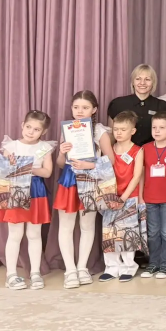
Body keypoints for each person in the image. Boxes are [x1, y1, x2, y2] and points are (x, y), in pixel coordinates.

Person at [54, 91, 115, 289]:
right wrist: (62, 152)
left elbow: (111, 160)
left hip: (90, 180)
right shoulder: (67, 129)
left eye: (85, 107)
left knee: (87, 226)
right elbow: (60, 163)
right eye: (76, 107)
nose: (80, 111)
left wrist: (89, 165)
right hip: (69, 180)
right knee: (66, 226)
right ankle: (70, 270)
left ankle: (82, 268)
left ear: (94, 109)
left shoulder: (99, 131)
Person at [0, 110, 54, 290]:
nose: (31, 131)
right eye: (28, 127)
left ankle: (35, 273)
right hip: (16, 189)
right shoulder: (11, 146)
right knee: (15, 234)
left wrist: (28, 168)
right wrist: (11, 164)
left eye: (36, 129)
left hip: (36, 190)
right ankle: (11, 275)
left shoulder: (44, 147)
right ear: (22, 125)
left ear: (43, 131)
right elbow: (3, 171)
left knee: (34, 234)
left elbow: (47, 172)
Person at [102, 111, 145, 283]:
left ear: (132, 131)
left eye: (123, 129)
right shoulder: (110, 149)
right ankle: (111, 267)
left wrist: (124, 197)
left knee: (128, 233)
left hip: (129, 197)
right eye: (116, 129)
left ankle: (128, 266)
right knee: (109, 233)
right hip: (110, 197)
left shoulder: (137, 151)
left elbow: (137, 176)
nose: (118, 133)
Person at [139, 112, 166, 279]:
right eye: (154, 127)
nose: (157, 131)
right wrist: (141, 196)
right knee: (152, 233)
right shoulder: (145, 148)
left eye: (162, 128)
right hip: (149, 198)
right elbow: (141, 174)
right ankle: (153, 263)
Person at [107, 64, 166, 147]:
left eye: (147, 79)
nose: (142, 83)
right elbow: (111, 134)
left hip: (153, 152)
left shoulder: (163, 106)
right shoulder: (117, 104)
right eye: (138, 79)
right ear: (133, 82)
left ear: (153, 82)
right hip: (123, 152)